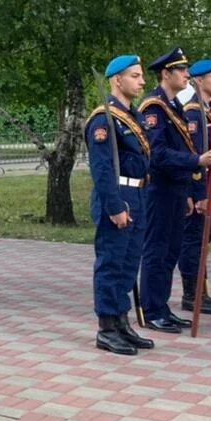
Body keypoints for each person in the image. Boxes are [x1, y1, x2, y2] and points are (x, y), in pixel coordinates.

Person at [137, 49, 211, 331]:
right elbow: (157, 154)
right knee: (157, 251)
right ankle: (151, 311)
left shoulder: (172, 106)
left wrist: (188, 189)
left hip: (176, 189)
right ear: (166, 74)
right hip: (159, 189)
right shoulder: (154, 107)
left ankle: (162, 306)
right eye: (181, 70)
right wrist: (197, 160)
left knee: (171, 250)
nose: (187, 75)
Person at [86, 55, 155, 356]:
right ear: (117, 80)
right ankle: (106, 328)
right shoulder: (104, 120)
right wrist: (115, 207)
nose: (142, 81)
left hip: (138, 196)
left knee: (129, 264)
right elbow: (102, 171)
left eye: (141, 76)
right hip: (118, 198)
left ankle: (122, 321)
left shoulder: (135, 116)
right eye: (135, 76)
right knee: (111, 264)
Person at [179, 59, 211, 314]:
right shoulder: (192, 113)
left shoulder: (210, 111)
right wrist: (197, 194)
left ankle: (203, 291)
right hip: (199, 189)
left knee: (204, 240)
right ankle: (191, 294)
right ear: (199, 80)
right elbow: (195, 157)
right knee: (194, 241)